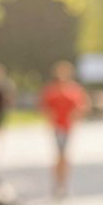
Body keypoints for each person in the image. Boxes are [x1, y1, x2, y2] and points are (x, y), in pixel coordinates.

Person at [39, 61, 90, 197]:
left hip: (68, 127)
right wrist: (50, 118)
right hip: (57, 127)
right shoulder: (52, 90)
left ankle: (63, 184)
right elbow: (44, 107)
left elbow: (82, 106)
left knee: (64, 156)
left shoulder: (74, 89)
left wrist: (76, 116)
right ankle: (58, 183)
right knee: (60, 156)